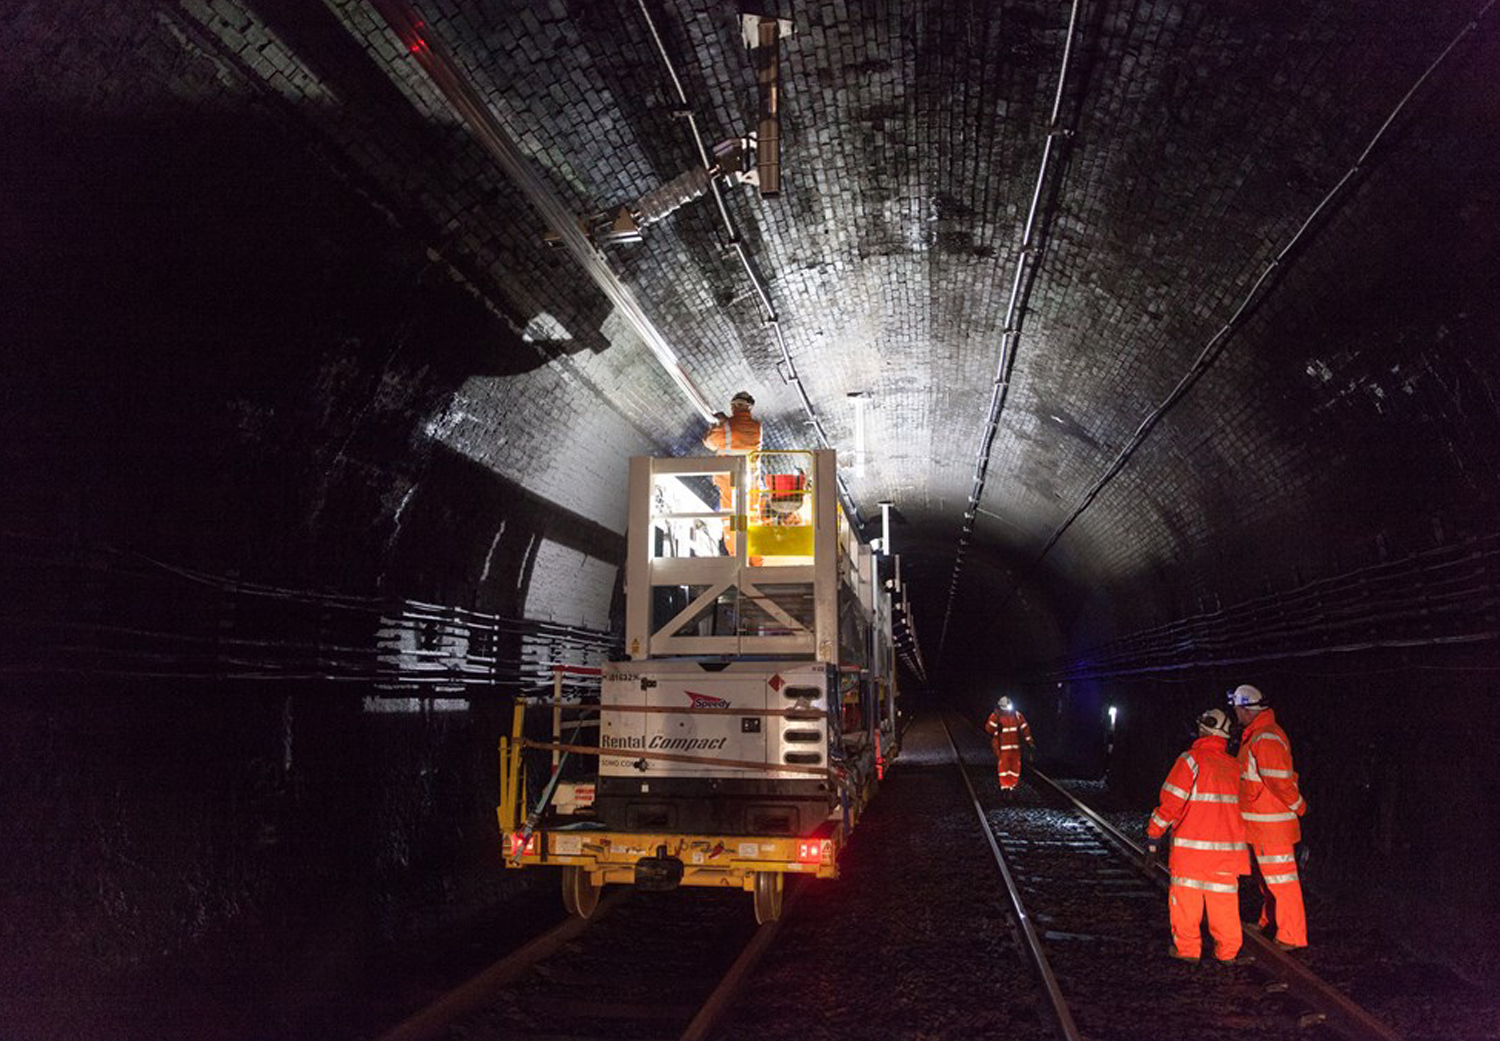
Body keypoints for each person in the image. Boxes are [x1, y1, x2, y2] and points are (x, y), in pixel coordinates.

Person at [1144, 708, 1250, 964]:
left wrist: (1153, 836)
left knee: (1186, 902)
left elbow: (1170, 803)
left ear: (1204, 730)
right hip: (1227, 854)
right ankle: (1227, 953)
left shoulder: (1190, 761)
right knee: (1224, 903)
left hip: (1192, 852)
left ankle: (1188, 951)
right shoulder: (1234, 766)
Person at [1229, 683, 1309, 950]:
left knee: (1282, 880)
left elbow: (1278, 781)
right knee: (1268, 880)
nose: (1235, 714)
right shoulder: (1256, 735)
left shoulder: (1266, 738)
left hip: (1272, 827)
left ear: (1246, 709)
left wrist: (1300, 806)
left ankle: (1292, 935)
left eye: (1238, 709)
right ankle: (1268, 921)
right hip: (1260, 825)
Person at [701, 391, 762, 557]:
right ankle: (756, 558)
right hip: (751, 478)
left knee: (731, 517)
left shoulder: (726, 427)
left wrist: (717, 425)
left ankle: (736, 554)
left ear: (733, 406)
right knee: (752, 516)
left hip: (728, 478)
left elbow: (709, 442)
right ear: (750, 408)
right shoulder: (757, 427)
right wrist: (725, 422)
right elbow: (741, 433)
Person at [985, 696, 1035, 792]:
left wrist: (1029, 742)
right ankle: (1005, 786)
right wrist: (996, 724)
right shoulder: (996, 716)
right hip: (1002, 748)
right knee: (1004, 768)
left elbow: (1025, 728)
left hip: (1015, 748)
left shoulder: (1017, 715)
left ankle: (1012, 785)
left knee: (1015, 768)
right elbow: (989, 729)